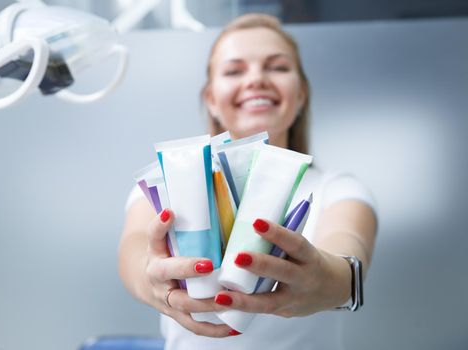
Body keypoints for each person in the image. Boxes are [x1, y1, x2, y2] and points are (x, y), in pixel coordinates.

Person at [119, 13, 378, 349]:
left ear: (301, 95)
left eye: (278, 67)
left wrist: (328, 279)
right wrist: (149, 275)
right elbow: (134, 248)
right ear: (211, 98)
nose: (256, 79)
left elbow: (347, 249)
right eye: (234, 70)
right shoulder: (172, 185)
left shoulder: (338, 188)